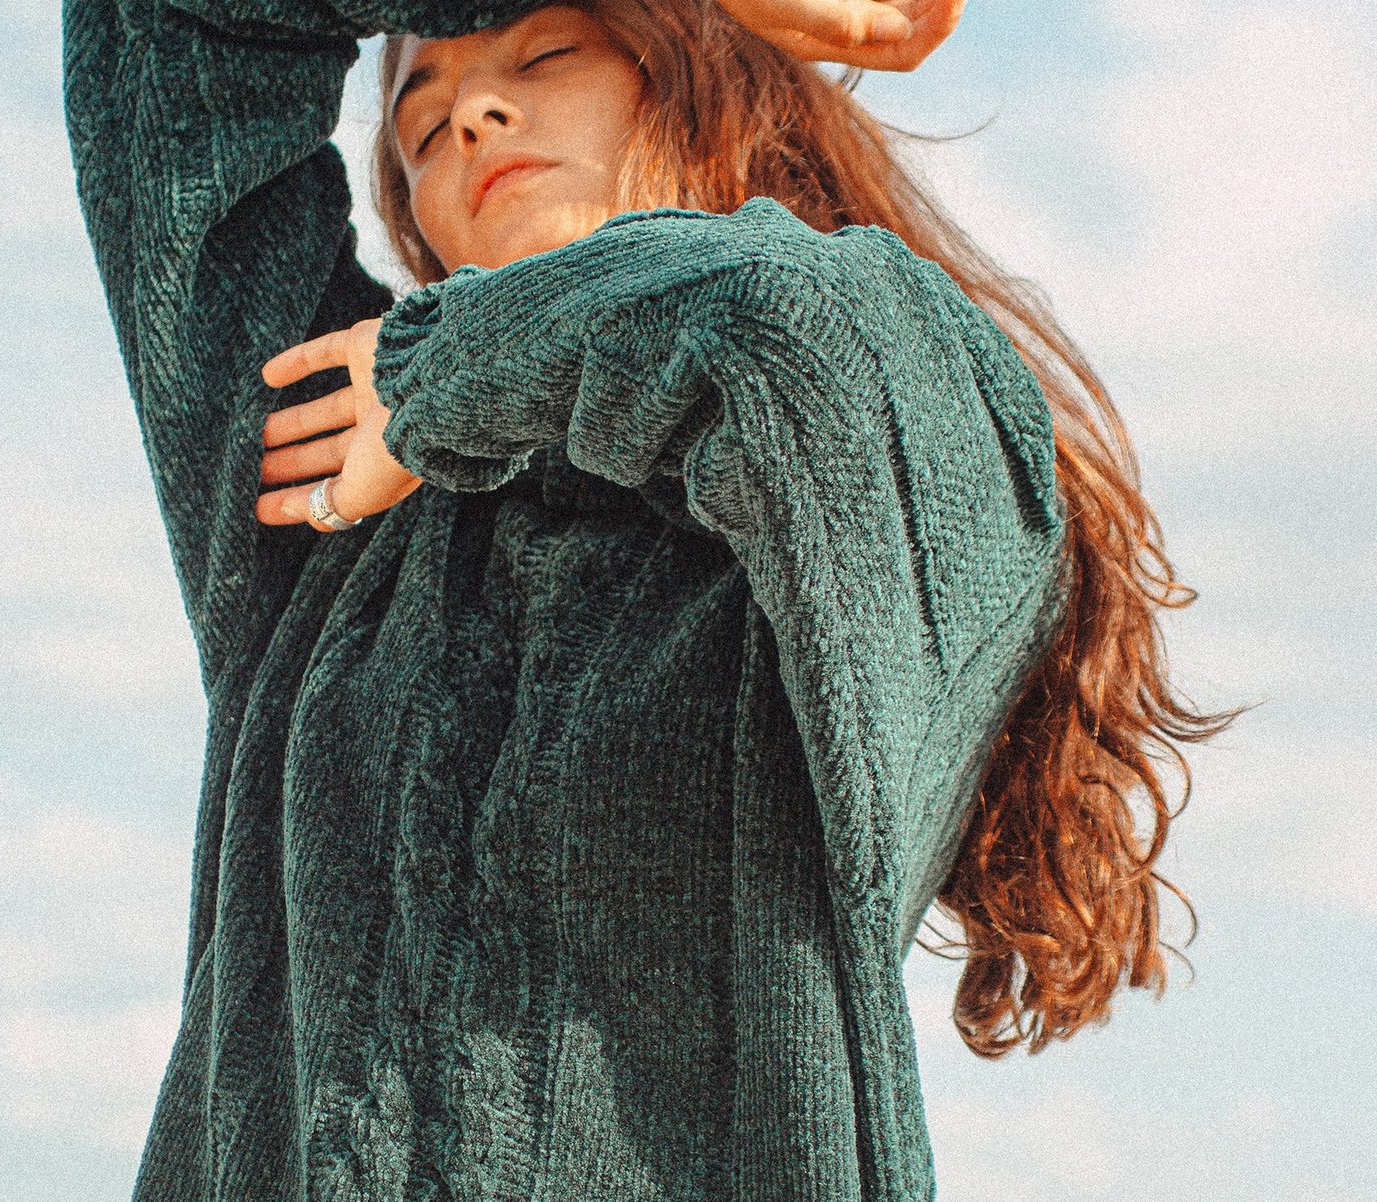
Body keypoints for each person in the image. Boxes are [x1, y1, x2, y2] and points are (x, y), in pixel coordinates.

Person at [63, 0, 1236, 1197]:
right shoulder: (333, 472)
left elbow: (797, 324)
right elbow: (158, 28)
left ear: (709, 86)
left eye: (547, 55)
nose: (472, 114)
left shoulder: (896, 441)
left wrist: (446, 364)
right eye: (419, 126)